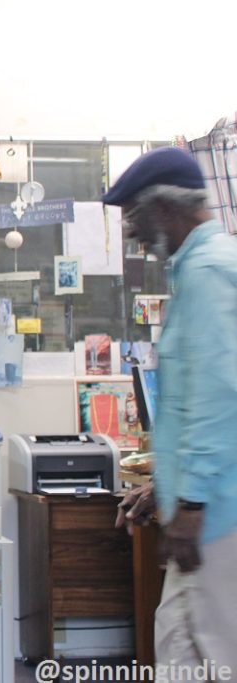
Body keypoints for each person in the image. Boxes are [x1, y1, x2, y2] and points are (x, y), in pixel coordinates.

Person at [105, 146, 237, 677]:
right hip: (208, 508)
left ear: (165, 208)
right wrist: (165, 486)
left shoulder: (210, 273)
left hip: (220, 517)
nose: (133, 233)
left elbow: (222, 398)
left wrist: (191, 500)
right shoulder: (199, 272)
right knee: (183, 652)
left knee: (214, 656)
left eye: (133, 217)